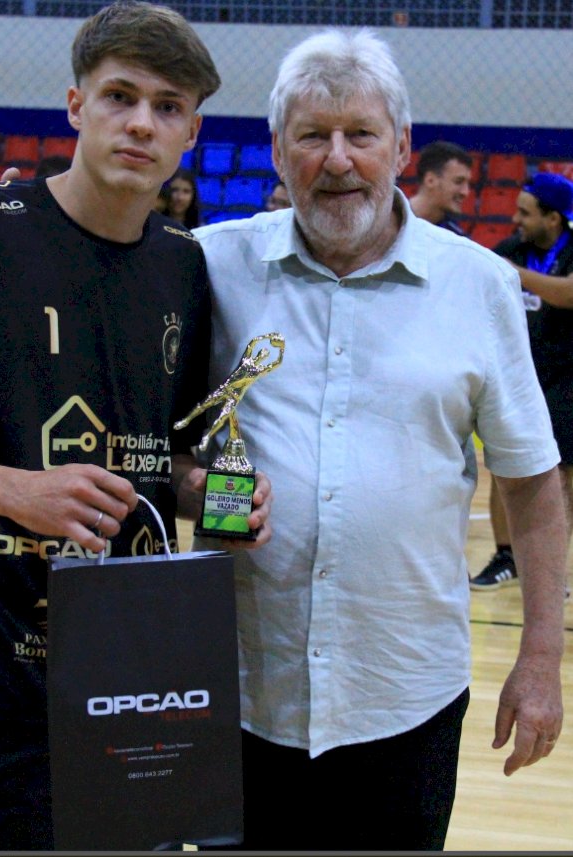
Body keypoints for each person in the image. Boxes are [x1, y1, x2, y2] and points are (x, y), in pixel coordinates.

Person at [0, 3, 271, 850]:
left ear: (192, 133)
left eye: (168, 107)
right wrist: (16, 490)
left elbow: (168, 459)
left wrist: (223, 499)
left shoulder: (184, 265)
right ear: (76, 105)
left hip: (135, 682)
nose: (141, 123)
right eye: (120, 96)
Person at [189, 28, 565, 851]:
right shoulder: (209, 266)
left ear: (400, 147)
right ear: (276, 150)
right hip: (237, 693)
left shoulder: (479, 284)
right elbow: (159, 435)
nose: (338, 160)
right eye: (311, 136)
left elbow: (533, 483)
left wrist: (541, 659)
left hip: (406, 695)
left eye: (360, 134)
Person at [471, 171, 573, 592]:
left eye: (525, 213)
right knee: (505, 463)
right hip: (516, 375)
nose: (515, 219)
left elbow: (568, 293)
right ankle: (506, 556)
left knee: (562, 474)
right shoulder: (513, 249)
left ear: (553, 218)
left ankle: (553, 570)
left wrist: (512, 274)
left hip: (566, 380)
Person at [408, 139, 473, 234]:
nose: (465, 192)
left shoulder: (454, 238)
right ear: (430, 180)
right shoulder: (389, 222)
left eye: (468, 184)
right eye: (458, 182)